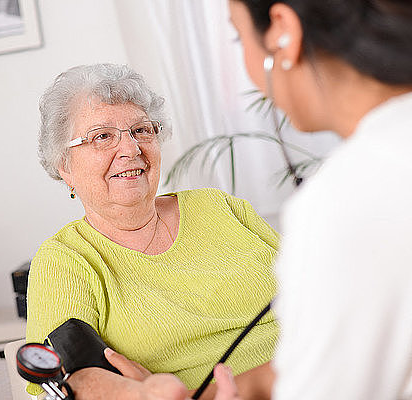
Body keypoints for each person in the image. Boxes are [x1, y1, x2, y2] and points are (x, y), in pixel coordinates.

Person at [115, 0, 412, 399]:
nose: (129, 151)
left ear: (282, 30)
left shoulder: (342, 201)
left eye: (239, 37)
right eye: (101, 137)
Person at [25, 63, 281, 399]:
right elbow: (70, 378)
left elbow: (320, 296)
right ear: (65, 166)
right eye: (103, 136)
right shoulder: (66, 259)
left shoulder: (223, 208)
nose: (131, 150)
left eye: (142, 131)